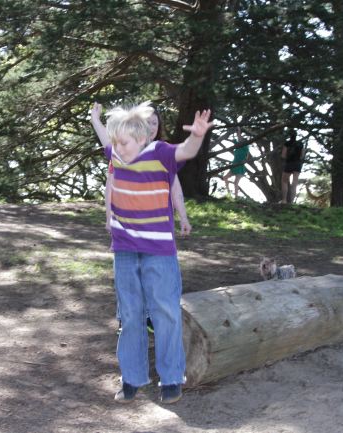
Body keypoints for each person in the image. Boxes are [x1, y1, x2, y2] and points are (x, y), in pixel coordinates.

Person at [90, 101, 212, 405]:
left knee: (165, 312)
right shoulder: (117, 154)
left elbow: (186, 150)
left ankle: (171, 378)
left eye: (124, 143)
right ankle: (132, 377)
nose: (118, 148)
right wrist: (95, 119)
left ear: (142, 139)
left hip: (159, 251)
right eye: (116, 142)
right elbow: (106, 140)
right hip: (125, 250)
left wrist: (197, 135)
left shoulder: (159, 153)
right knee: (130, 315)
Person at [93, 103, 191, 337]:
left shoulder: (163, 154)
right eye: (147, 123)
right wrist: (109, 216)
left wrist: (183, 217)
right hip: (128, 230)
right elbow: (111, 186)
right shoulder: (123, 151)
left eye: (155, 123)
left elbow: (176, 189)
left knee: (155, 276)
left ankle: (151, 317)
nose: (151, 127)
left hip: (156, 231)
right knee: (129, 275)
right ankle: (126, 319)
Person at [221, 127, 249, 199]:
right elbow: (237, 139)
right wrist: (236, 131)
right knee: (225, 177)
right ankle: (229, 194)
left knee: (236, 182)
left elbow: (239, 137)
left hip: (240, 166)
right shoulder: (238, 146)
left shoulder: (245, 146)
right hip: (234, 166)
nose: (240, 140)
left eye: (242, 140)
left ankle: (236, 198)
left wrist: (239, 131)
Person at [281, 129, 305, 204]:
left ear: (289, 135)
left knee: (284, 181)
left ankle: (284, 200)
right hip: (297, 164)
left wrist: (287, 158)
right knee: (294, 183)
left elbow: (283, 155)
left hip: (289, 163)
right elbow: (302, 156)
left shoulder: (287, 143)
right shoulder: (301, 144)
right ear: (296, 135)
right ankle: (291, 202)